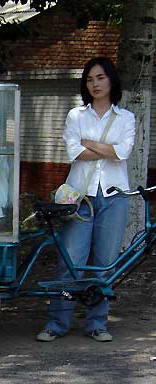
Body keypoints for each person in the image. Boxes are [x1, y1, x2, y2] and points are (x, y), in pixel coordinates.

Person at [36, 57, 136, 343]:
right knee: (71, 260)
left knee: (105, 262)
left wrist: (88, 143)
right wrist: (105, 148)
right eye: (91, 79)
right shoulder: (76, 116)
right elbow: (74, 153)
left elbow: (123, 153)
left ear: (111, 80)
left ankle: (96, 323)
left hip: (114, 197)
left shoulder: (125, 117)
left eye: (101, 78)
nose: (96, 84)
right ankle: (57, 322)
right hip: (79, 197)